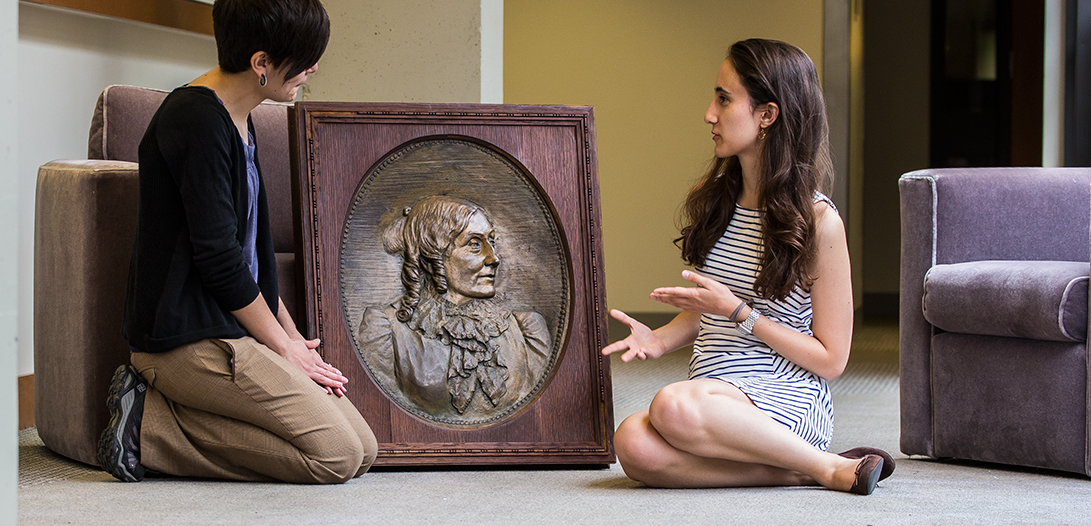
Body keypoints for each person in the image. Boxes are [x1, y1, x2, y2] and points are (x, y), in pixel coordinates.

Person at [97, 0, 377, 484]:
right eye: (304, 58)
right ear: (261, 63)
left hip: (232, 330)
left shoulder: (242, 120)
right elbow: (219, 259)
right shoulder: (195, 120)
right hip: (184, 342)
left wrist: (297, 343)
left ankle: (162, 421)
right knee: (334, 456)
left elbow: (252, 255)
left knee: (363, 447)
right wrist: (282, 348)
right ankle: (147, 427)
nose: (313, 68)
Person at [602, 39, 893, 495]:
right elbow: (708, 308)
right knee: (631, 443)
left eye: (724, 98)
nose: (709, 114)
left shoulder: (819, 221)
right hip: (715, 402)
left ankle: (817, 460)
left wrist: (742, 314)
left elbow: (832, 359)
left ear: (767, 115)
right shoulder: (718, 198)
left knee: (671, 405)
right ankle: (814, 469)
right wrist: (658, 339)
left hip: (784, 401)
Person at [355, 196, 551, 422]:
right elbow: (377, 409)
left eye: (492, 242)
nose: (494, 258)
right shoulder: (386, 329)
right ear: (431, 258)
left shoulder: (526, 329)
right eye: (475, 244)